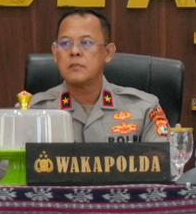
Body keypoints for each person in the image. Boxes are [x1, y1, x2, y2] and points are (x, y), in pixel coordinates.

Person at [28, 9, 171, 142]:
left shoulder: (144, 109)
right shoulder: (32, 113)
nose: (74, 51)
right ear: (55, 52)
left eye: (86, 42)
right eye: (65, 43)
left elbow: (164, 160)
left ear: (108, 53)